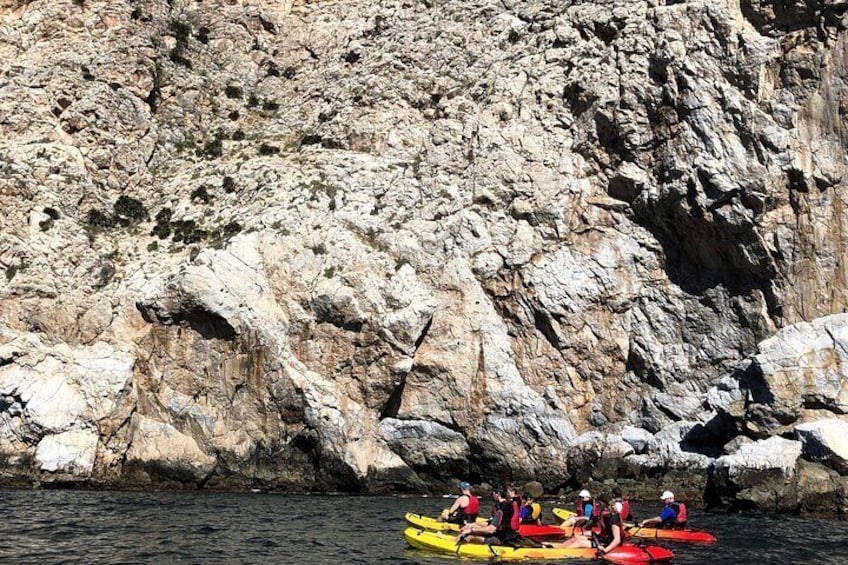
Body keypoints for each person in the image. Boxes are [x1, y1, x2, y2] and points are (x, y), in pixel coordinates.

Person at [455, 486, 520, 545]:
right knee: (469, 529)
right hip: (500, 534)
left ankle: (455, 545)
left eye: (492, 493)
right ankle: (456, 540)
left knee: (470, 536)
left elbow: (491, 529)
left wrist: (471, 530)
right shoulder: (500, 506)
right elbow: (491, 523)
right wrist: (473, 525)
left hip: (502, 538)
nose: (491, 495)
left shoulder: (504, 508)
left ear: (497, 494)